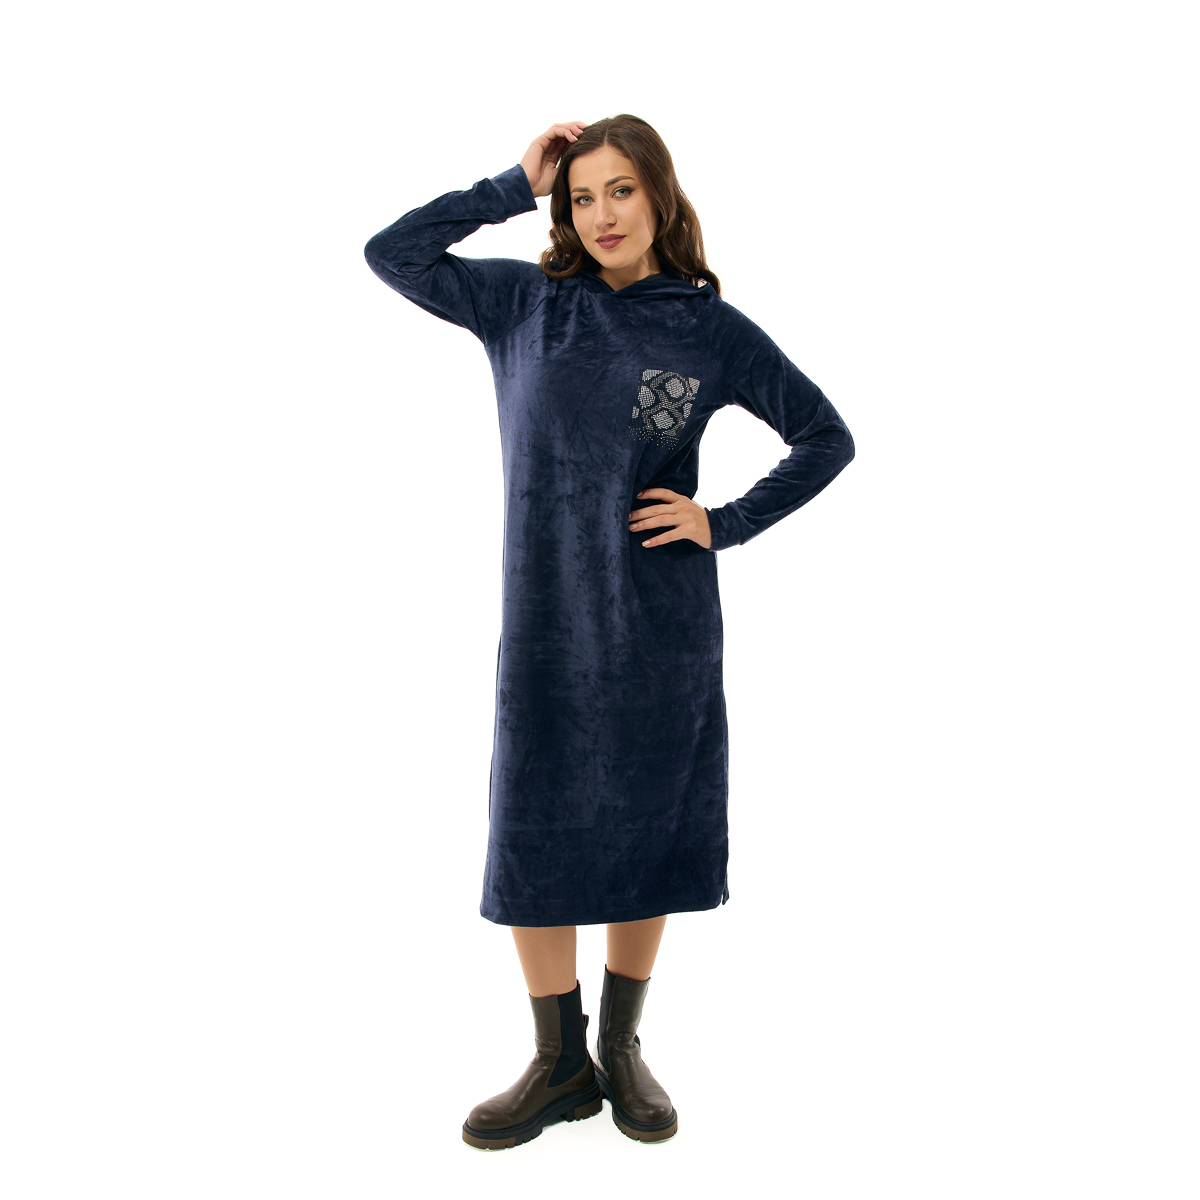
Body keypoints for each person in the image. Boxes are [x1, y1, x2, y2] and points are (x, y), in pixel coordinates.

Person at [363, 115, 855, 1150]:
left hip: (658, 627)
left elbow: (825, 436)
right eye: (581, 197)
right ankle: (557, 1062)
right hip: (545, 622)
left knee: (647, 825)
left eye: (621, 190)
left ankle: (622, 1048)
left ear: (659, 196)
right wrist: (511, 184)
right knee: (534, 828)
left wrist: (722, 522)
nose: (602, 215)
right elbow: (393, 252)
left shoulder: (709, 330)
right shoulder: (524, 304)